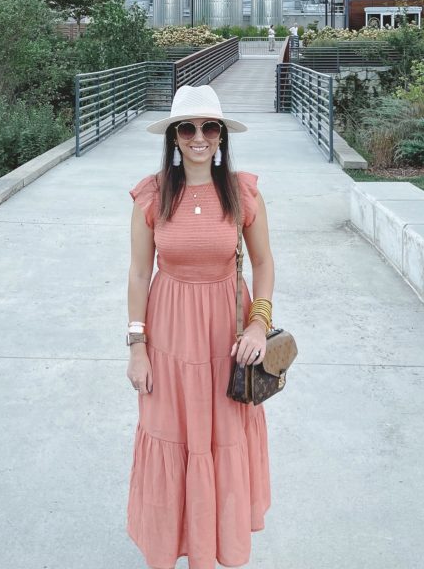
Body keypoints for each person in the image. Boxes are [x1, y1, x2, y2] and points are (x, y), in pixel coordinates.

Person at [126, 84, 275, 569]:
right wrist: (137, 346)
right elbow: (137, 272)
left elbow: (264, 263)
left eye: (209, 127)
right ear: (173, 136)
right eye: (187, 128)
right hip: (168, 333)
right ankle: (173, 546)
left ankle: (219, 550)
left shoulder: (243, 191)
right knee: (170, 433)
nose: (199, 137)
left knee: (221, 440)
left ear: (220, 137)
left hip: (226, 338)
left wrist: (258, 326)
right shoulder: (151, 194)